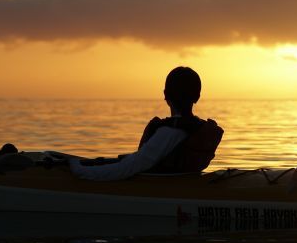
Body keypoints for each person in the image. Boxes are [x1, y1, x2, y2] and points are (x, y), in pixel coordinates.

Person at [68, 66, 223, 181]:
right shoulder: (198, 128)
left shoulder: (169, 133)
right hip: (184, 182)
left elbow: (126, 169)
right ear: (197, 97)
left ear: (165, 95)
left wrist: (77, 170)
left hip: (165, 189)